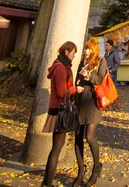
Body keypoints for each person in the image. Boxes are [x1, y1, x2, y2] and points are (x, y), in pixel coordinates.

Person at [42, 41, 82, 187]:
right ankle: (48, 183)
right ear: (66, 52)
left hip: (57, 109)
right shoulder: (60, 68)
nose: (73, 56)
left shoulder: (60, 66)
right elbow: (61, 92)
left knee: (57, 147)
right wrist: (74, 89)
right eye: (72, 53)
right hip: (60, 110)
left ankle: (46, 181)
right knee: (56, 148)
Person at [73, 38, 107, 187]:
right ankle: (80, 171)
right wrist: (77, 86)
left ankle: (96, 167)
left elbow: (100, 79)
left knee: (89, 136)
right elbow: (77, 80)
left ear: (94, 50)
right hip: (80, 102)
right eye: (85, 48)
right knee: (78, 137)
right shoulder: (82, 62)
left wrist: (89, 76)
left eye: (89, 49)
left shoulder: (100, 61)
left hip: (92, 103)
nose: (86, 51)